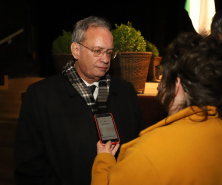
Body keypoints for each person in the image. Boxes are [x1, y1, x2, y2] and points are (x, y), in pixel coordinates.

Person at [14, 16, 144, 185]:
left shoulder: (125, 92)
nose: (105, 59)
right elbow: (29, 166)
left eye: (109, 52)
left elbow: (138, 148)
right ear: (76, 50)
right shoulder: (40, 96)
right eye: (97, 51)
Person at [91, 32, 222, 185]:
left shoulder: (146, 154)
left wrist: (103, 161)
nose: (159, 86)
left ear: (177, 85)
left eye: (163, 77)